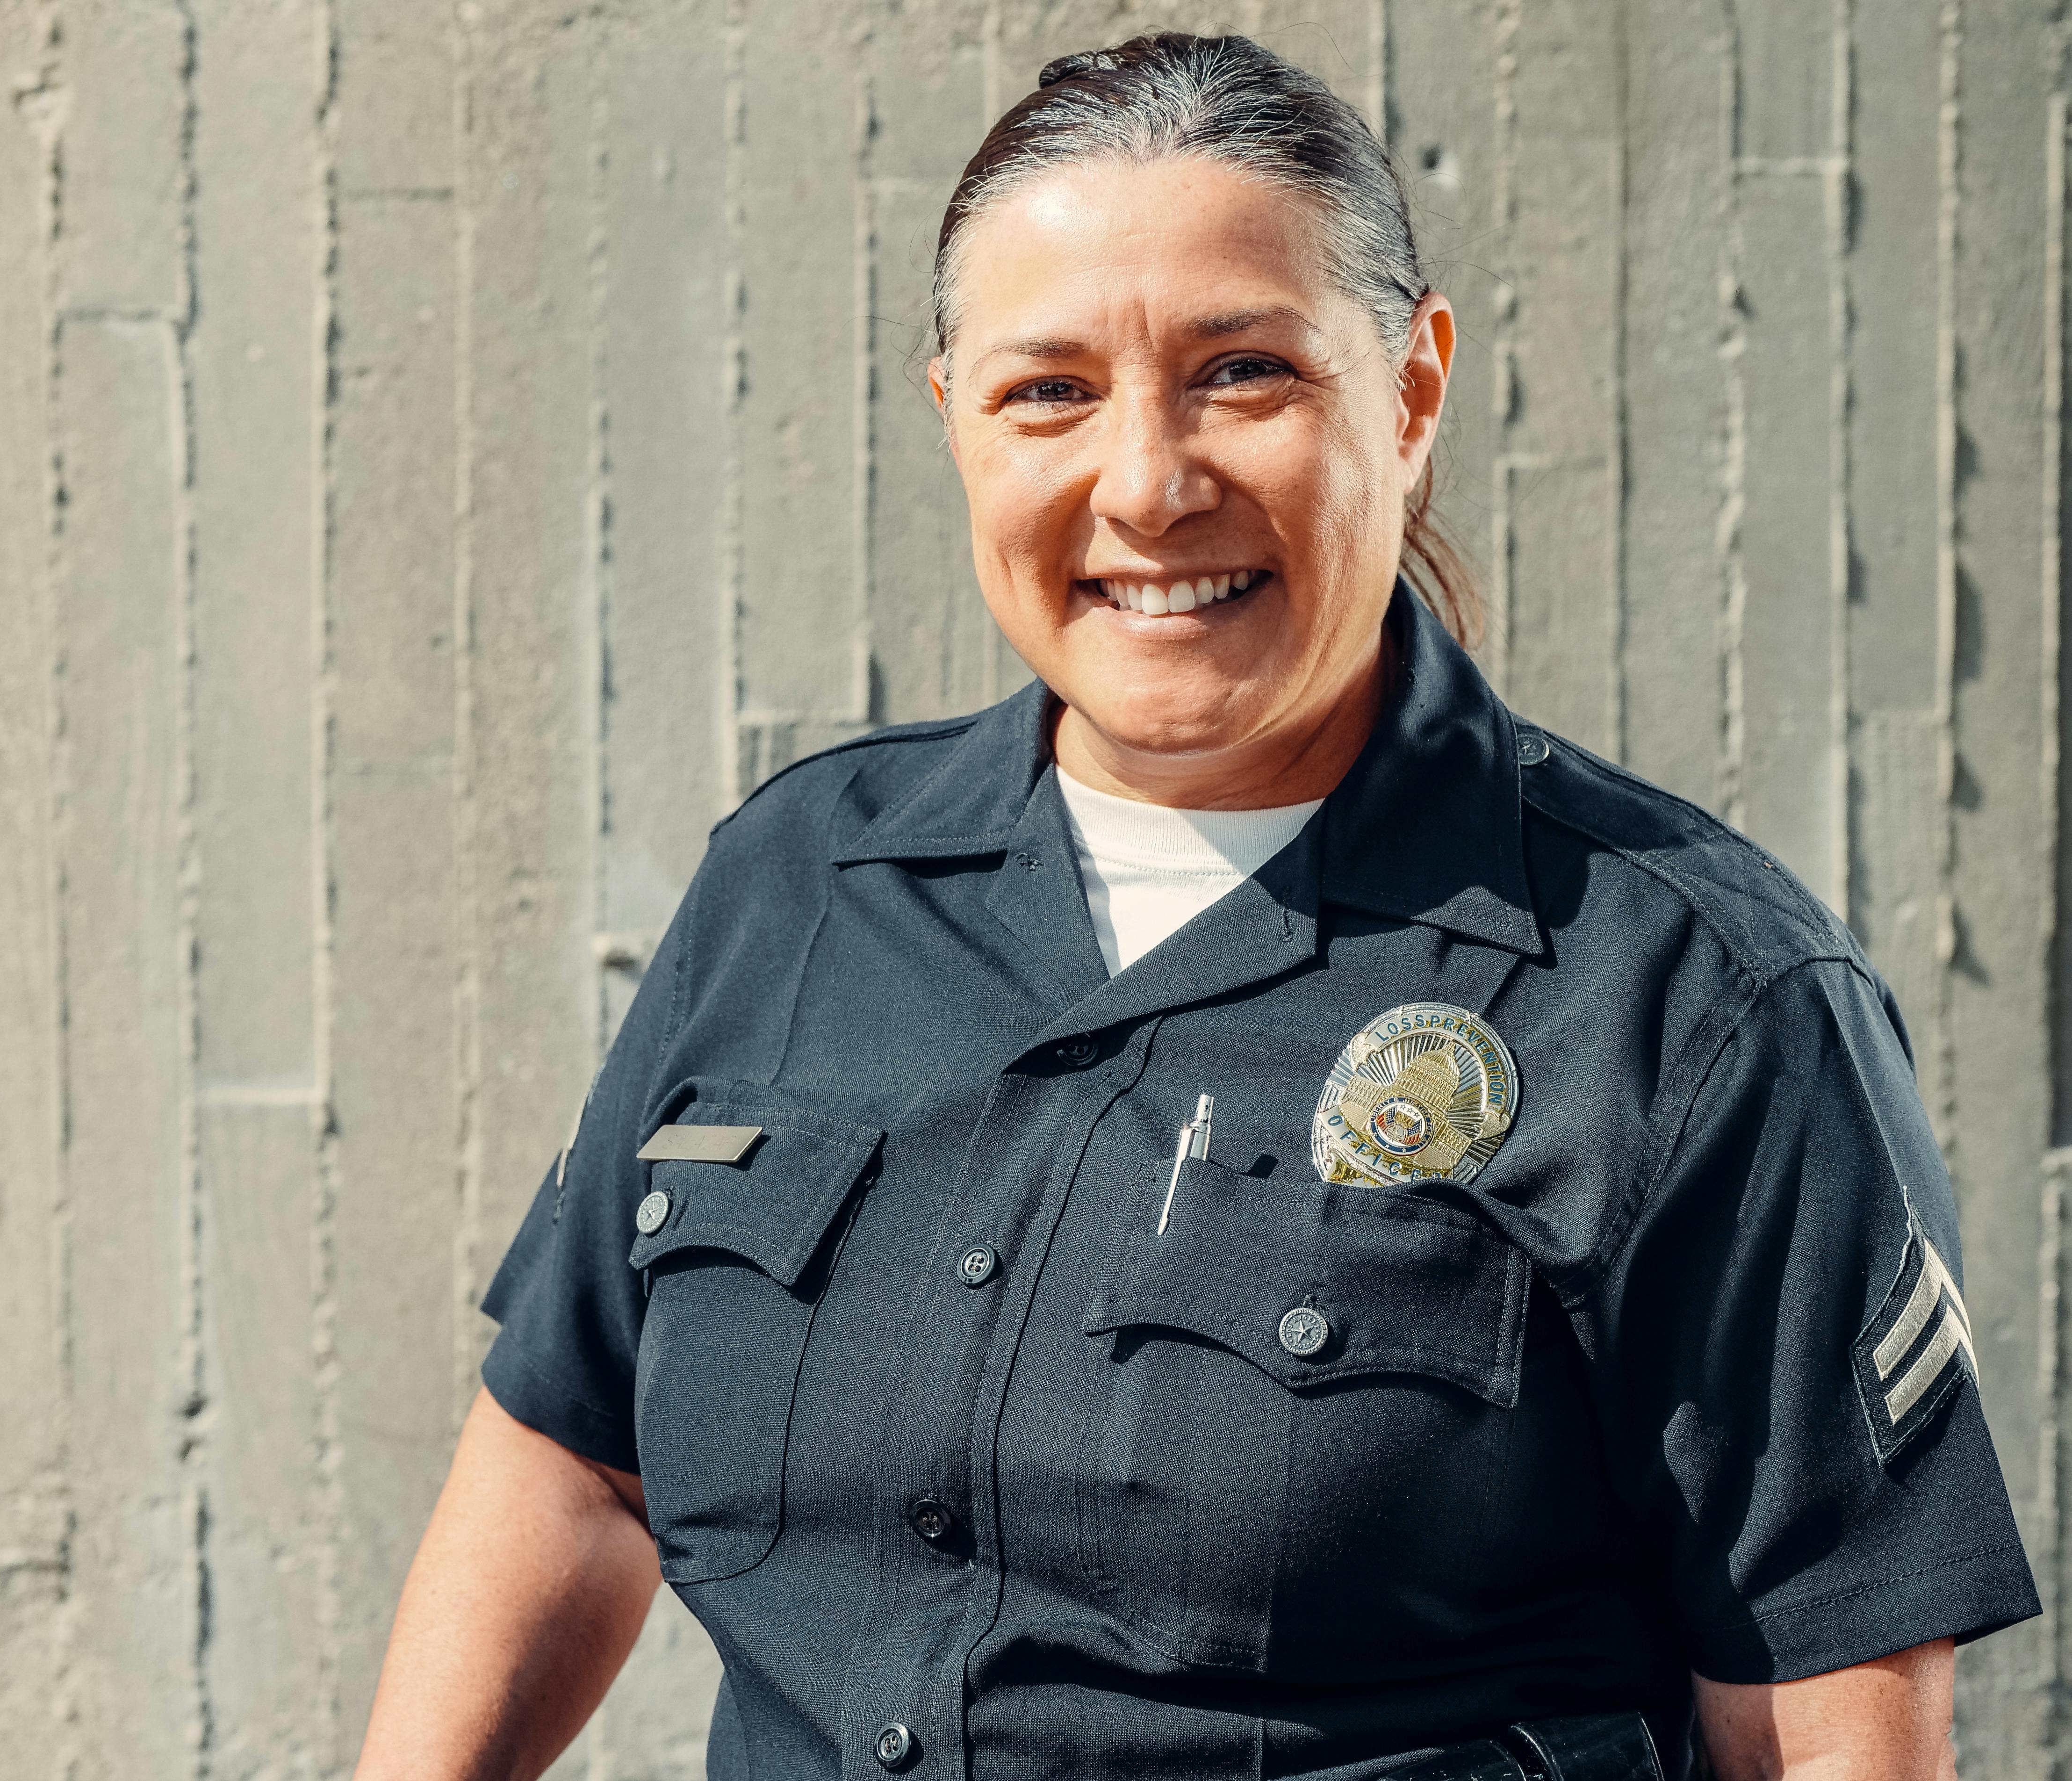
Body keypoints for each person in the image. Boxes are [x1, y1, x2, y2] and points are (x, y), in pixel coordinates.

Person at [354, 33, 2038, 1781]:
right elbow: (574, 1461)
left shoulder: (1693, 995)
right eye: (1049, 392)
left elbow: (1822, 1720)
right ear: (953, 420)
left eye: (1243, 373)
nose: (1148, 484)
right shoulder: (796, 890)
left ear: (1411, 392)